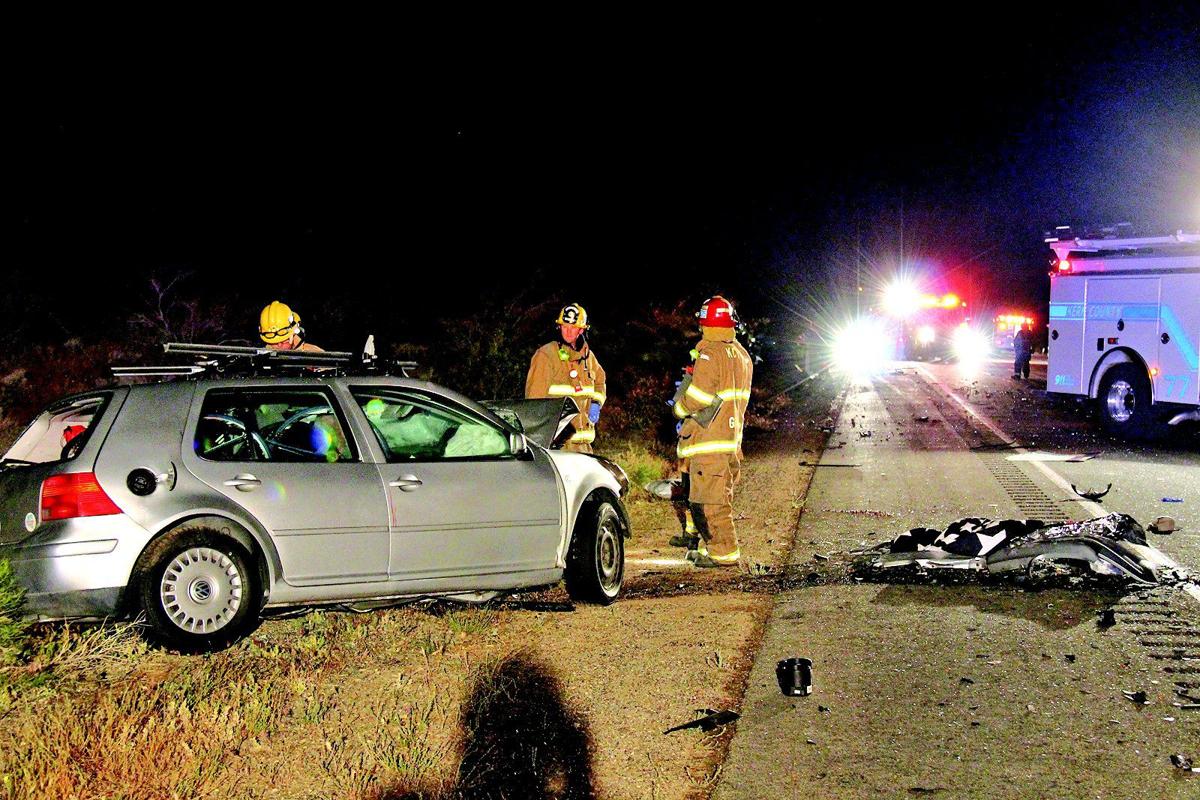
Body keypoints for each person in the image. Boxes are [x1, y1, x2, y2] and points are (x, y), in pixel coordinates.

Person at [669, 295, 753, 569]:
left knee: (710, 503)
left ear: (705, 322)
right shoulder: (742, 355)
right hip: (730, 440)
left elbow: (699, 396)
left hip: (709, 441)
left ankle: (723, 553)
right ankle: (717, 549)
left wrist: (679, 408)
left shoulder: (709, 352)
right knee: (718, 498)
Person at [526, 303, 606, 453]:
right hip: (558, 448)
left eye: (573, 327)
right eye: (565, 326)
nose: (568, 331)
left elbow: (600, 382)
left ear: (581, 330)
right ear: (559, 327)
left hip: (584, 447)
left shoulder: (589, 358)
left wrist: (596, 403)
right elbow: (534, 404)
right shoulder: (546, 355)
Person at [258, 300, 324, 352]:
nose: (279, 346)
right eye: (274, 343)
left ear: (293, 334)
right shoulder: (259, 357)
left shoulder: (314, 354)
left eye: (283, 341)